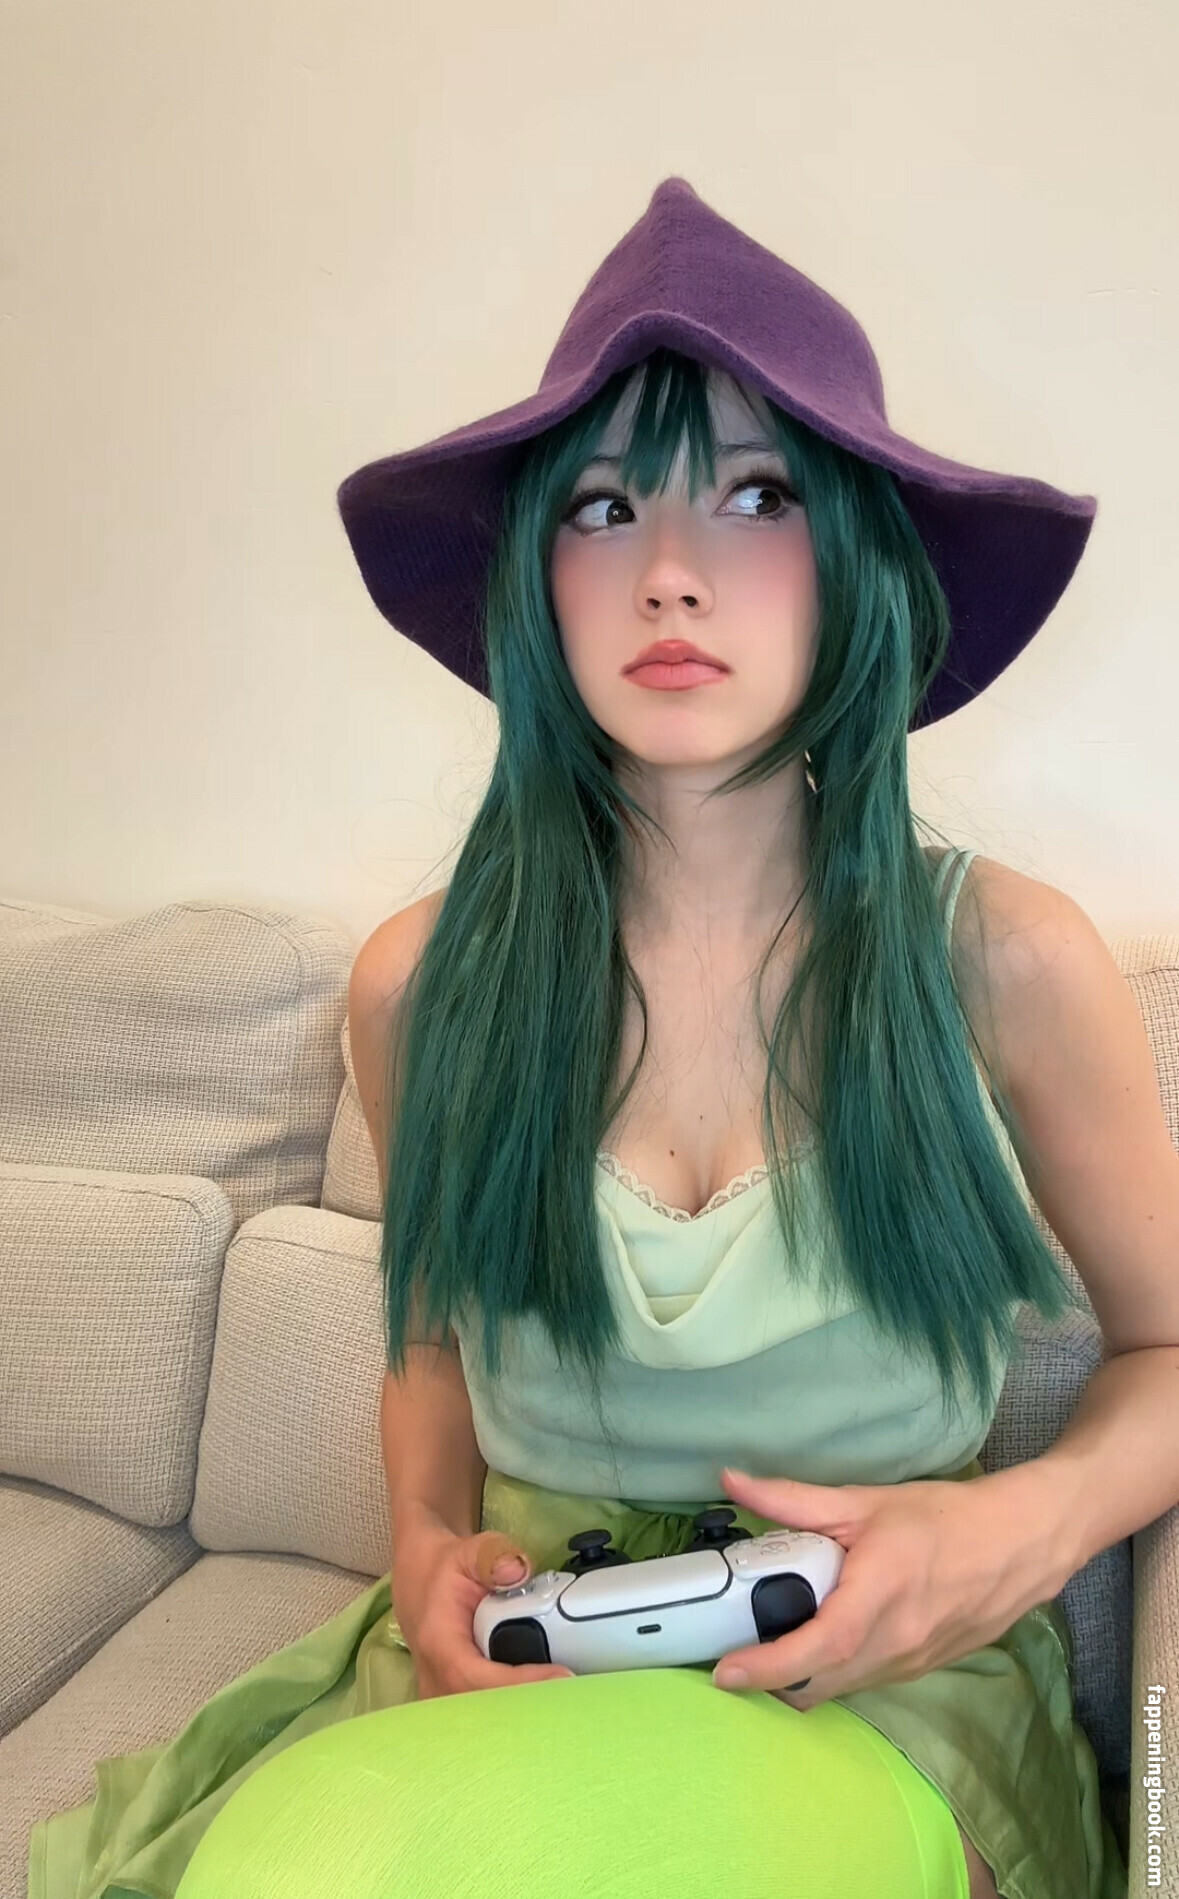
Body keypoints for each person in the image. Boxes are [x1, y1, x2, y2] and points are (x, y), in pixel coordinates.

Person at [28, 176, 1138, 1899]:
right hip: (530, 1661)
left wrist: (1013, 1531)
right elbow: (432, 1345)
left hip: (878, 1686)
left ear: (854, 559)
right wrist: (422, 1542)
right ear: (535, 580)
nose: (672, 576)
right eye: (606, 507)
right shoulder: (423, 990)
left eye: (756, 496)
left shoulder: (1004, 961)